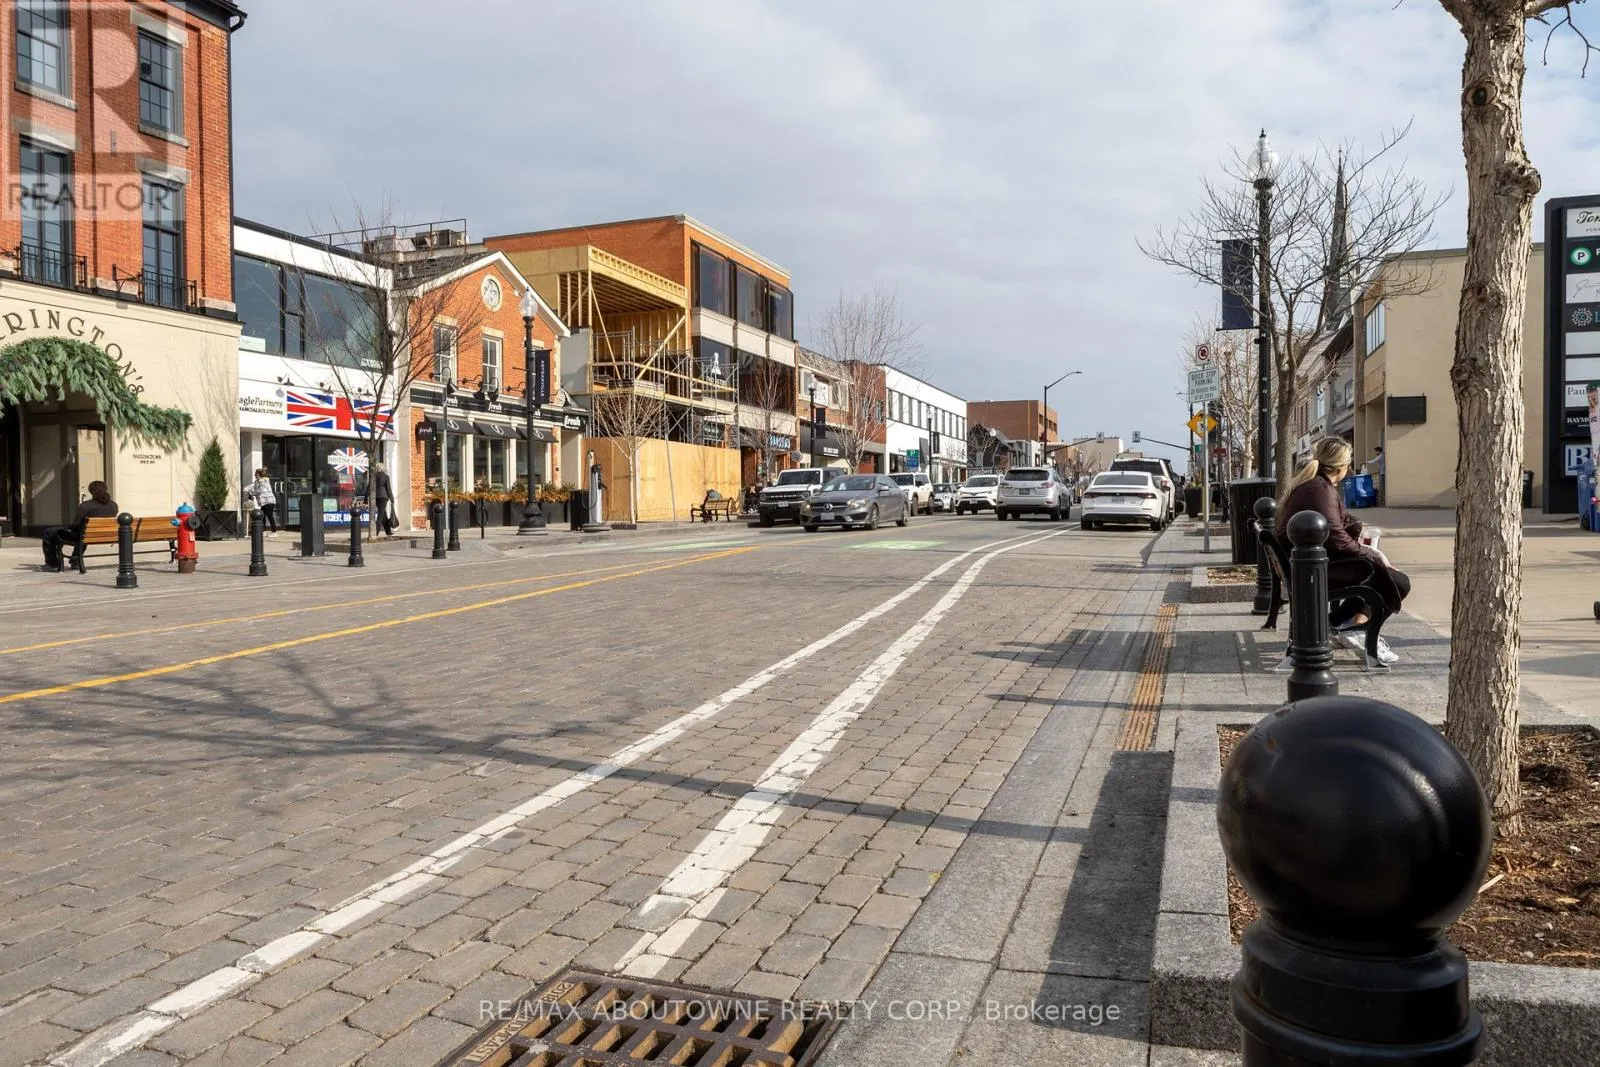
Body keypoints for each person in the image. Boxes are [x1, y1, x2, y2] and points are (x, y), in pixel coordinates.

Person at [1277, 437, 1409, 663]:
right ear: (1342, 468)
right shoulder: (1320, 490)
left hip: (1305, 566)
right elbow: (1336, 539)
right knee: (1398, 581)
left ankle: (1338, 624)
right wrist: (1374, 555)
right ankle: (1357, 629)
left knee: (1380, 575)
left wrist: (1368, 548)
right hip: (1312, 570)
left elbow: (1338, 524)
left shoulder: (1315, 486)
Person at [40, 481, 118, 571]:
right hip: (103, 536)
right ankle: (75, 561)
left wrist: (67, 528)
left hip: (84, 536)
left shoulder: (86, 505)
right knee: (83, 533)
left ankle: (52, 563)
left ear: (90, 491)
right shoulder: (114, 505)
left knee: (49, 532)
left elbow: (75, 526)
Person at [244, 468, 278, 535]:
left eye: (256, 475)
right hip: (263, 502)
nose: (255, 476)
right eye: (255, 475)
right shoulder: (256, 482)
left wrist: (251, 493)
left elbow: (260, 490)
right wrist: (245, 489)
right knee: (262, 516)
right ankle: (264, 531)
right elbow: (251, 486)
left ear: (259, 475)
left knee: (269, 516)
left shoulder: (265, 481)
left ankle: (274, 532)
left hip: (269, 501)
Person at [371, 462, 396, 538]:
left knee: (383, 514)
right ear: (383, 468)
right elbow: (388, 489)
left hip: (376, 497)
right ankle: (375, 533)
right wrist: (392, 499)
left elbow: (369, 487)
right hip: (383, 498)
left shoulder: (374, 476)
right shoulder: (386, 476)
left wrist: (366, 498)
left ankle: (388, 531)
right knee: (380, 516)